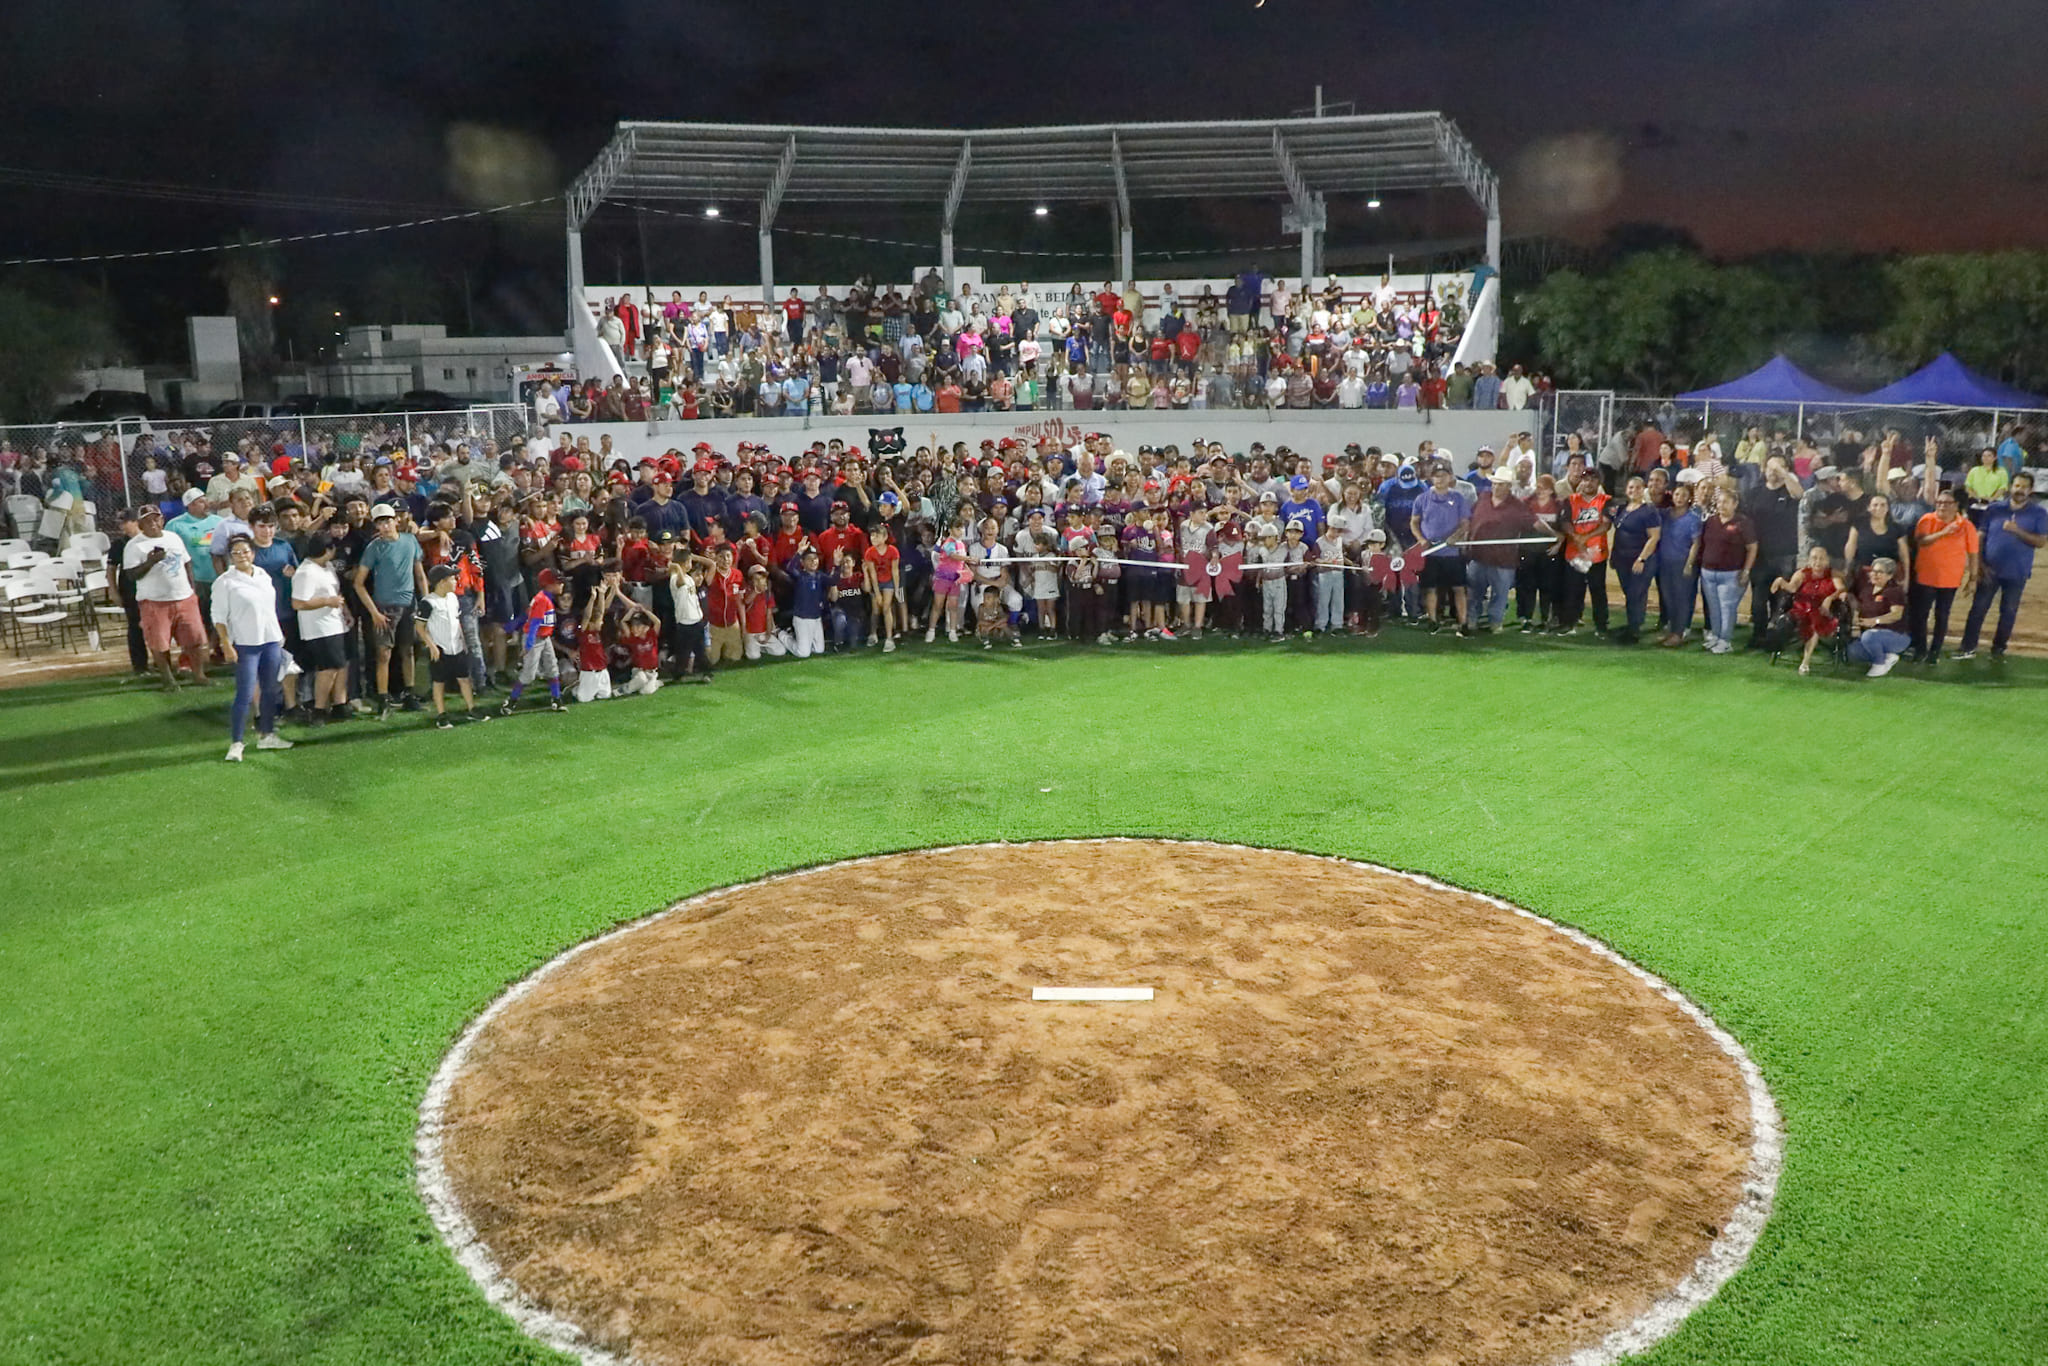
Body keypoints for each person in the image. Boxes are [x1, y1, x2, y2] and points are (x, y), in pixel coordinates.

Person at [209, 534, 293, 761]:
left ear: (253, 553)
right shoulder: (225, 582)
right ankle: (237, 742)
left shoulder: (263, 575)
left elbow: (269, 608)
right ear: (230, 557)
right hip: (246, 643)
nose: (241, 556)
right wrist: (226, 643)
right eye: (236, 553)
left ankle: (267, 734)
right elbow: (218, 616)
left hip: (270, 640)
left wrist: (278, 635)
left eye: (245, 551)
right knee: (245, 693)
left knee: (270, 689)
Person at [1956, 472, 2046, 660]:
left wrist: (2017, 530)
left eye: (2024, 487)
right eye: (2017, 486)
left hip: (2017, 572)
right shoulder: (1994, 509)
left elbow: (2040, 542)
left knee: (2008, 612)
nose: (2020, 490)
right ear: (2011, 487)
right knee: (1978, 609)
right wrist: (1980, 565)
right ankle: (1967, 647)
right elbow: (1980, 537)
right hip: (1990, 569)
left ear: (2031, 490)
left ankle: (1998, 650)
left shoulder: (2038, 513)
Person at [122, 502, 211, 690]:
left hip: (184, 597)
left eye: (156, 519)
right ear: (140, 524)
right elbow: (131, 575)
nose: (153, 524)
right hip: (154, 601)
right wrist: (150, 562)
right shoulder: (134, 546)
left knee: (194, 640)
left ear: (162, 520)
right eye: (147, 521)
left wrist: (192, 590)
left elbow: (186, 563)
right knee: (159, 643)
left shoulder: (173, 538)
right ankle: (168, 679)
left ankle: (199, 675)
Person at [351, 503, 427, 718]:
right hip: (385, 607)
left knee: (408, 650)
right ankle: (383, 699)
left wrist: (426, 600)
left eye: (387, 521)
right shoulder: (374, 547)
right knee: (384, 654)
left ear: (396, 520)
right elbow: (358, 583)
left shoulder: (410, 541)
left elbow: (420, 574)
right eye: (380, 523)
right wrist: (374, 612)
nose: (384, 526)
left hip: (408, 604)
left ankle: (409, 694)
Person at [1907, 488, 1979, 664]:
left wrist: (1973, 578)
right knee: (1921, 614)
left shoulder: (1966, 526)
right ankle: (1920, 649)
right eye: (1939, 502)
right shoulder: (1927, 519)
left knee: (1942, 616)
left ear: (1956, 505)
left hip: (1950, 579)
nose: (1942, 506)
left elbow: (1973, 554)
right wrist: (1944, 532)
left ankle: (1935, 652)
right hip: (1926, 576)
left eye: (1947, 503)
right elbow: (1921, 542)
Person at [289, 532, 351, 724]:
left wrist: (345, 611)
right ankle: (319, 709)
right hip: (318, 628)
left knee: (341, 664)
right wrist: (326, 602)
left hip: (336, 623)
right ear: (327, 550)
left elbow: (335, 592)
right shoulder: (306, 572)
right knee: (328, 668)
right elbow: (298, 603)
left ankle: (340, 705)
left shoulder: (328, 567)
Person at [1688, 487, 1756, 655]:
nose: (1722, 505)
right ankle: (1716, 636)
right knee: (1714, 607)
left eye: (1726, 502)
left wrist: (1746, 571)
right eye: (1719, 502)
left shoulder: (1743, 523)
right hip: (1708, 572)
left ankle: (1725, 640)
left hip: (1731, 573)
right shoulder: (1711, 521)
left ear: (1735, 504)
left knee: (1727, 607)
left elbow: (1752, 547)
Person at [421, 563, 487, 726]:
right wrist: (431, 645)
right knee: (439, 682)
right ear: (441, 582)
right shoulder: (429, 602)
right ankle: (441, 715)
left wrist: (462, 641)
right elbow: (419, 627)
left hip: (456, 646)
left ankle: (472, 708)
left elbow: (456, 622)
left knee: (464, 678)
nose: (456, 581)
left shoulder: (453, 598)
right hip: (440, 648)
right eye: (452, 578)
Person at [500, 568, 566, 713]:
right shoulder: (542, 600)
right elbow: (534, 623)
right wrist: (529, 644)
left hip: (544, 638)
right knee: (529, 675)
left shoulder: (545, 597)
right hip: (534, 638)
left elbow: (527, 615)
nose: (562, 585)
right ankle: (510, 702)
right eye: (559, 582)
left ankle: (557, 699)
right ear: (549, 584)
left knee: (552, 668)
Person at [1772, 546, 1845, 675]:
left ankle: (1805, 662)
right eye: (1814, 558)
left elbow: (1841, 589)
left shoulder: (1833, 574)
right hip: (1800, 609)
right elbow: (1792, 588)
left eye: (1821, 558)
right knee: (1800, 619)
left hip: (1821, 611)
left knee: (1815, 621)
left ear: (1827, 561)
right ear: (1809, 560)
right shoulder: (1802, 573)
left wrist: (1830, 598)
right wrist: (1781, 581)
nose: (1818, 562)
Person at [1610, 475, 1664, 644]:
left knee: (1636, 594)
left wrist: (1641, 559)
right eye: (1631, 487)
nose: (1634, 490)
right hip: (1622, 559)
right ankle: (1632, 624)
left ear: (1643, 490)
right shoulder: (1622, 509)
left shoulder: (1649, 511)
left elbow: (1654, 537)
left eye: (1638, 487)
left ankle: (1634, 630)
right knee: (1630, 594)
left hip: (1640, 560)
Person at [1655, 483, 1703, 647]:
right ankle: (1671, 630)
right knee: (1668, 598)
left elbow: (1696, 543)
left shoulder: (1693, 518)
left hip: (1682, 562)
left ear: (1689, 498)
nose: (1679, 498)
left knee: (1681, 599)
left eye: (1683, 495)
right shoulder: (1665, 514)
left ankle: (1678, 633)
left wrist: (1689, 564)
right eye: (1677, 495)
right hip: (1664, 562)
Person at [1845, 557, 1909, 678]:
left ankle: (1879, 664)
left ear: (1889, 576)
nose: (1875, 574)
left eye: (1880, 572)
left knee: (1869, 636)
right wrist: (1856, 625)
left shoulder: (1894, 591)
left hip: (1896, 635)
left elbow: (1897, 614)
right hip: (1871, 634)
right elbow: (1859, 609)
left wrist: (1875, 621)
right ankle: (1887, 657)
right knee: (1853, 651)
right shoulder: (1867, 590)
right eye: (1873, 571)